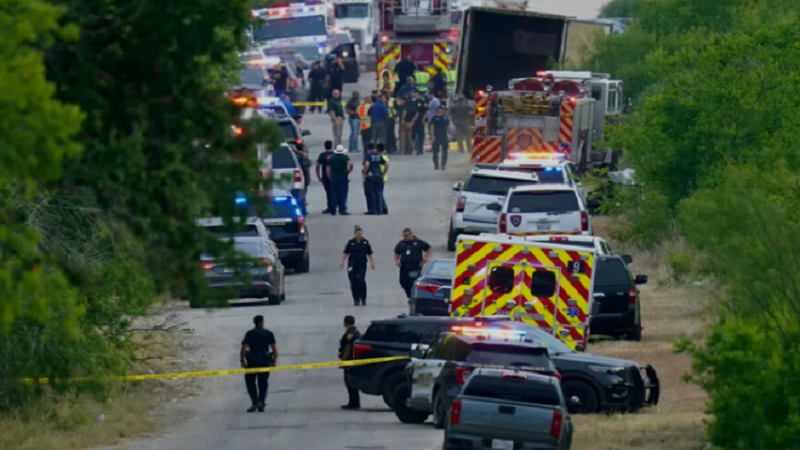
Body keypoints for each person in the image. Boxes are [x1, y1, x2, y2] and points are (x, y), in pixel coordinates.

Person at [240, 315, 278, 413]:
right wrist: (274, 361)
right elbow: (274, 349)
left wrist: (242, 360)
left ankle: (256, 401)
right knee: (263, 382)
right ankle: (261, 403)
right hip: (265, 360)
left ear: (254, 322)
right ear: (262, 322)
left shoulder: (249, 333)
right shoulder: (268, 333)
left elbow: (243, 348)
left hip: (252, 360)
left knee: (250, 381)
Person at [340, 226, 375, 305]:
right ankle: (356, 298)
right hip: (352, 264)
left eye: (360, 234)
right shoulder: (351, 242)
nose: (359, 235)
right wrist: (342, 261)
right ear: (355, 234)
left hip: (362, 264)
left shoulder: (365, 242)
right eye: (358, 234)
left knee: (361, 280)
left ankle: (363, 298)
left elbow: (370, 253)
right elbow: (346, 252)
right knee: (353, 281)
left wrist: (372, 262)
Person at [394, 228, 432, 299]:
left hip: (415, 266)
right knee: (403, 282)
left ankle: (413, 297)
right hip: (404, 266)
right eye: (404, 236)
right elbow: (396, 253)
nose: (405, 237)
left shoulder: (418, 242)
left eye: (407, 235)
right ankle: (410, 296)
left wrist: (425, 257)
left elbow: (428, 248)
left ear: (411, 234)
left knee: (412, 283)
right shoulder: (401, 243)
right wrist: (397, 260)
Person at [339, 315, 361, 409]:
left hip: (350, 361)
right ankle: (354, 402)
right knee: (352, 382)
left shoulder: (350, 334)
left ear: (345, 322)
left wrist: (343, 361)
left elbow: (348, 348)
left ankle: (353, 403)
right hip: (355, 360)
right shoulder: (356, 332)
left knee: (349, 383)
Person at [326, 145, 353, 215]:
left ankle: (333, 209)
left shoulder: (332, 158)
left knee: (333, 193)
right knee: (343, 193)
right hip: (343, 177)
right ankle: (342, 209)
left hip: (334, 177)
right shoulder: (345, 157)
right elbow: (351, 164)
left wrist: (329, 177)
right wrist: (348, 171)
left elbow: (328, 169)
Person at [362, 143, 385, 215]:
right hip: (379, 175)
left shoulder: (367, 154)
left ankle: (372, 210)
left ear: (368, 148)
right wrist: (383, 174)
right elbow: (387, 164)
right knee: (379, 193)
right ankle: (379, 210)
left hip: (370, 176)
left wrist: (364, 173)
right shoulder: (378, 154)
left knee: (370, 193)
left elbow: (367, 164)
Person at [316, 140, 335, 213]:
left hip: (326, 176)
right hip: (335, 175)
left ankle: (330, 207)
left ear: (325, 146)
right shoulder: (335, 154)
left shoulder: (322, 155)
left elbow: (317, 166)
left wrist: (318, 176)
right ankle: (338, 205)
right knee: (335, 191)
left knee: (328, 192)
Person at [429, 105, 450, 170]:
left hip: (444, 136)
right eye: (442, 109)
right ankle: (436, 165)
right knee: (435, 152)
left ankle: (443, 165)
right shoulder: (434, 118)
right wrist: (432, 135)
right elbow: (431, 127)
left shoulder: (446, 118)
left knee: (445, 151)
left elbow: (448, 127)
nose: (444, 110)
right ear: (439, 110)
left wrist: (450, 134)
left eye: (444, 109)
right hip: (436, 136)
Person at [378, 143, 390, 214]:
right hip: (384, 176)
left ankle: (383, 206)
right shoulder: (385, 157)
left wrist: (382, 174)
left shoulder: (380, 157)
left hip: (381, 175)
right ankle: (382, 206)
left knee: (379, 193)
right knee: (380, 192)